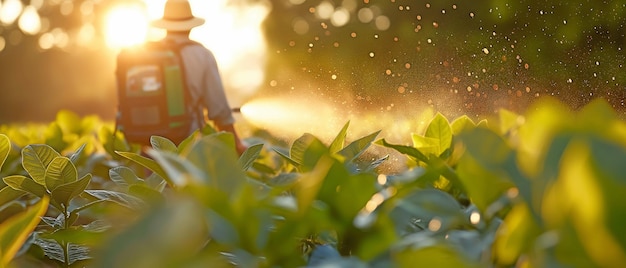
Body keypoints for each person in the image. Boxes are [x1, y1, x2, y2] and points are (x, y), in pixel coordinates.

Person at [150, 0, 247, 154]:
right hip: (188, 143)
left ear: (165, 25)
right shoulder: (202, 55)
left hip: (150, 143)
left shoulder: (147, 53)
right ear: (190, 26)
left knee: (152, 178)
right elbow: (219, 110)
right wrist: (238, 144)